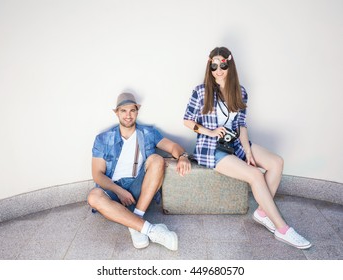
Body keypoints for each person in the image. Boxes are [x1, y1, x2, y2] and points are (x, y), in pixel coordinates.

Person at [183, 46, 312, 249]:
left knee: (276, 162)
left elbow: (242, 125)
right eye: (214, 65)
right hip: (211, 148)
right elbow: (187, 121)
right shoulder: (201, 91)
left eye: (222, 65)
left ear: (229, 64)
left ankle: (262, 212)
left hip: (234, 143)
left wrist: (248, 151)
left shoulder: (240, 92)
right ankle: (282, 228)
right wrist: (210, 131)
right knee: (255, 175)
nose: (218, 70)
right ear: (210, 66)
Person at [88, 92, 191, 251]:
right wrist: (119, 191)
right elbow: (97, 175)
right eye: (123, 111)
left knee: (157, 159)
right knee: (93, 197)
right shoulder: (103, 139)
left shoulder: (148, 133)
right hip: (114, 190)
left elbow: (172, 147)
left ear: (137, 111)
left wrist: (183, 156)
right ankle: (150, 230)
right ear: (117, 113)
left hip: (139, 186)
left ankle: (135, 219)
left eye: (132, 110)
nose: (128, 115)